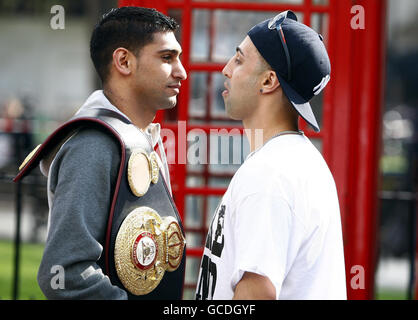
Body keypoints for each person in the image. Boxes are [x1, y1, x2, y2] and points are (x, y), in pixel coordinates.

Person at [14, 7, 187, 299]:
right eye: (167, 58)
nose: (181, 71)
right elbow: (64, 272)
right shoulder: (94, 145)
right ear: (123, 61)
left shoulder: (139, 137)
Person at [196, 11, 346, 300]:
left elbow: (257, 294)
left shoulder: (269, 173)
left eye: (239, 60)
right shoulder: (296, 160)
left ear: (268, 81)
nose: (226, 69)